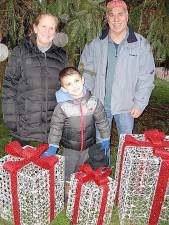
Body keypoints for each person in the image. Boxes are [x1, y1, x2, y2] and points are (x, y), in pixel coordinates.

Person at [79, 0, 155, 139]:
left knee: (126, 144)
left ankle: (123, 160)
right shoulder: (94, 44)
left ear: (127, 16)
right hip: (99, 105)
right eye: (111, 15)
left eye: (120, 14)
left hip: (127, 107)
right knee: (101, 147)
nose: (116, 19)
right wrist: (86, 99)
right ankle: (103, 162)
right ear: (107, 18)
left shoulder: (141, 44)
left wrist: (140, 103)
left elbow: (146, 76)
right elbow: (86, 73)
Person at [2, 13, 68, 145]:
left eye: (51, 28)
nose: (47, 31)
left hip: (51, 129)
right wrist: (11, 118)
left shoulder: (62, 56)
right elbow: (9, 86)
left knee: (47, 165)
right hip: (23, 127)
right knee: (21, 165)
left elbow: (66, 89)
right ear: (35, 28)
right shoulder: (20, 52)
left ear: (55, 32)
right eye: (43, 26)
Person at [42, 67, 110, 181]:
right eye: (69, 84)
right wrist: (53, 146)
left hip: (89, 145)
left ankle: (80, 189)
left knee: (85, 169)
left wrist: (106, 137)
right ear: (64, 89)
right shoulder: (62, 107)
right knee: (69, 169)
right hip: (70, 147)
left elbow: (102, 121)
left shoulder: (94, 102)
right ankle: (67, 187)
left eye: (76, 81)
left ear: (82, 80)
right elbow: (55, 128)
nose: (74, 86)